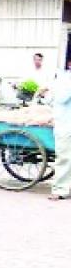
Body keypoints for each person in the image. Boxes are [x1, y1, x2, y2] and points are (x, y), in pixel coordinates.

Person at [49, 68, 71, 200]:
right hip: (65, 124)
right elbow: (61, 97)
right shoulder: (65, 79)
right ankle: (59, 189)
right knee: (64, 157)